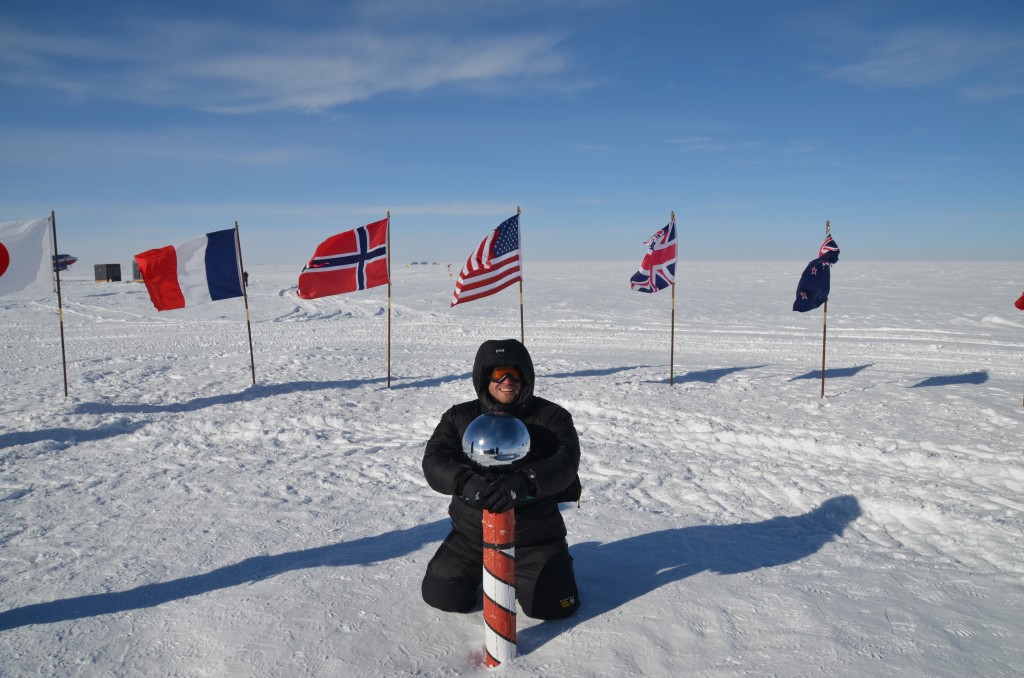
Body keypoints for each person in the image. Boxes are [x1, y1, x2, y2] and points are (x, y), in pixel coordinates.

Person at [421, 338, 582, 620]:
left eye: (515, 373)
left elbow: (565, 464)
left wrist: (525, 483)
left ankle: (551, 564)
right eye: (498, 374)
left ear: (527, 377)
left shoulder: (551, 417)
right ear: (484, 378)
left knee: (553, 607)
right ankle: (483, 568)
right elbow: (434, 461)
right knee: (443, 596)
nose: (507, 381)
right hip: (473, 534)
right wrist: (464, 481)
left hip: (535, 538)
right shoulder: (460, 416)